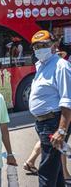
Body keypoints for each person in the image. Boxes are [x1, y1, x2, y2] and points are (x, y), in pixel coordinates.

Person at [29, 30, 71, 187]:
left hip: (52, 124)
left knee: (46, 172)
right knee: (56, 171)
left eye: (43, 45)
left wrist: (61, 131)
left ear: (54, 46)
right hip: (43, 124)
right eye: (36, 46)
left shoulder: (61, 66)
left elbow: (67, 101)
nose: (39, 49)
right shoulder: (42, 66)